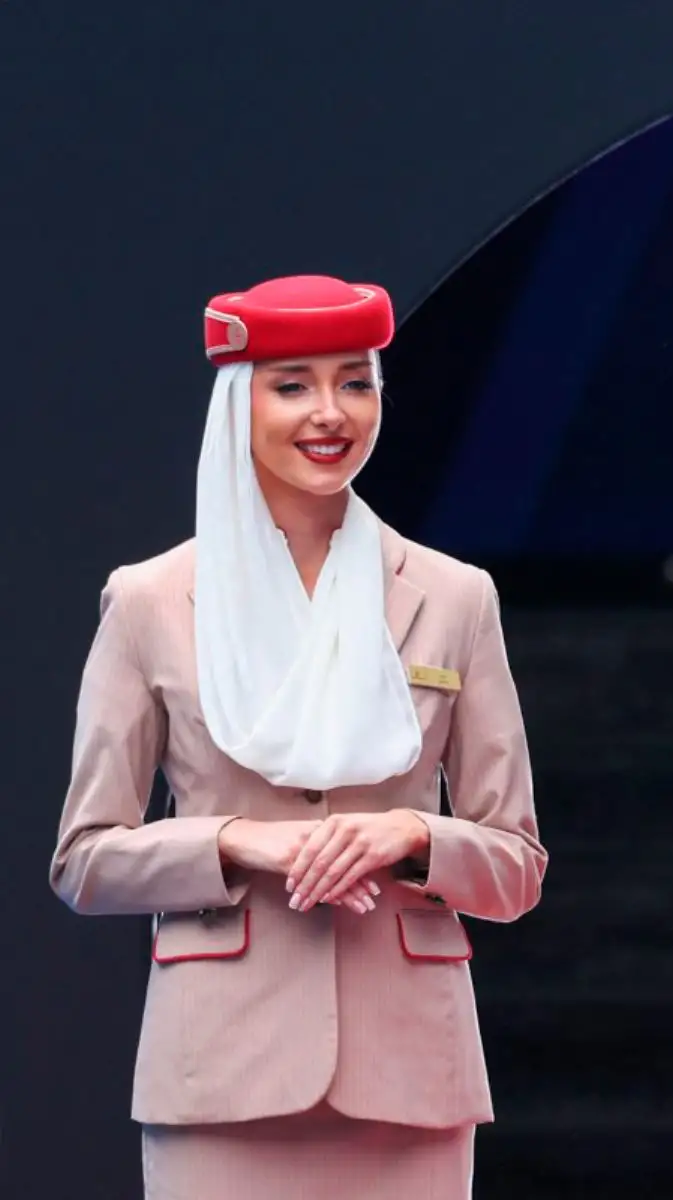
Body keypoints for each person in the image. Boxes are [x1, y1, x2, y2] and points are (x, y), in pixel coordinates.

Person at [49, 274, 548, 1200]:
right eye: (292, 385)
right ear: (238, 403)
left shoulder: (454, 596)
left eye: (355, 382)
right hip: (222, 1074)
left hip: (411, 1078)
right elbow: (84, 860)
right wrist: (240, 843)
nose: (330, 412)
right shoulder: (152, 600)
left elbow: (516, 866)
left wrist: (413, 836)